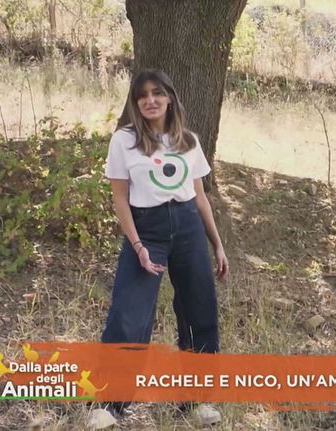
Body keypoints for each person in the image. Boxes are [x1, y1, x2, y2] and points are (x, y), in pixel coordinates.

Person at [96, 69, 228, 426]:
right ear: (135, 102)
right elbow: (120, 199)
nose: (150, 100)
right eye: (142, 95)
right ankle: (109, 404)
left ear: (170, 97)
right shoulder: (124, 140)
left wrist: (217, 244)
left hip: (187, 227)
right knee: (128, 314)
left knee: (199, 311)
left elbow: (200, 197)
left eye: (157, 93)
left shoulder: (188, 140)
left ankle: (196, 402)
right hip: (146, 229)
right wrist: (137, 244)